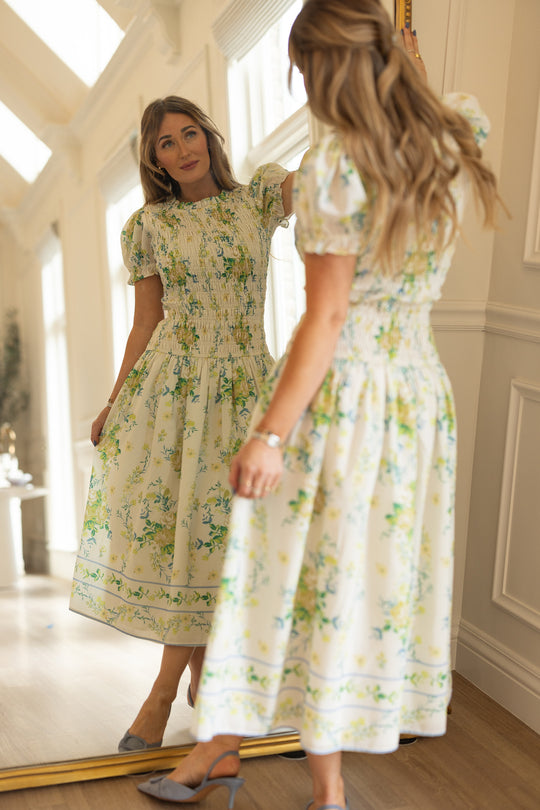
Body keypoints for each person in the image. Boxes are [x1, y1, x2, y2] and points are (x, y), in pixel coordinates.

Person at [137, 1, 504, 807]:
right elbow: (427, 109)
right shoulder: (452, 131)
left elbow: (329, 317)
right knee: (357, 580)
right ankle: (270, 768)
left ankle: (296, 778)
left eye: (301, 70)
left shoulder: (339, 163)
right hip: (418, 397)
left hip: (342, 395)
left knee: (284, 578)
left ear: (320, 65)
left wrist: (270, 433)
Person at [69, 95, 294, 752]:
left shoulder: (258, 200)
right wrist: (116, 401)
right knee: (192, 542)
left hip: (247, 387)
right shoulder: (149, 226)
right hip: (172, 391)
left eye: (189, 133)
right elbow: (146, 320)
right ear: (155, 161)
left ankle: (172, 692)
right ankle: (189, 689)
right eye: (166, 143)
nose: (183, 149)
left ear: (209, 137)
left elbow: (326, 185)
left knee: (223, 546)